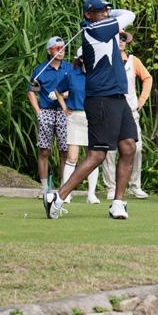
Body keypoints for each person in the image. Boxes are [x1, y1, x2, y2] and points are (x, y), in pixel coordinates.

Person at [45, 0, 137, 220]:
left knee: (128, 147)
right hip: (101, 98)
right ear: (88, 14)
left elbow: (121, 22)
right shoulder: (97, 30)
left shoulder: (100, 27)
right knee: (97, 155)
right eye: (100, 10)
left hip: (117, 97)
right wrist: (111, 15)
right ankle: (58, 198)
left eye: (107, 9)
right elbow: (129, 14)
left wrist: (107, 14)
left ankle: (118, 203)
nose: (105, 13)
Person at [103, 30, 153, 200]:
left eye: (124, 39)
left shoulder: (133, 60)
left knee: (136, 149)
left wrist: (142, 100)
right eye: (118, 38)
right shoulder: (106, 59)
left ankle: (135, 185)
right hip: (110, 110)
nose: (121, 41)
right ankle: (111, 187)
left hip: (130, 111)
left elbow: (147, 78)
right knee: (110, 150)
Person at [27, 36, 72, 199]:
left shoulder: (69, 68)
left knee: (64, 151)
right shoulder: (40, 69)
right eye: (57, 48)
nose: (61, 51)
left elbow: (77, 88)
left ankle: (64, 189)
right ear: (49, 50)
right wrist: (38, 111)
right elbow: (31, 91)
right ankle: (44, 188)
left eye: (63, 48)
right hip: (46, 111)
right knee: (44, 150)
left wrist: (63, 95)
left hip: (64, 111)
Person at [62, 50, 100, 204]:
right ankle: (66, 194)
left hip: (93, 118)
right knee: (72, 157)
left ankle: (91, 194)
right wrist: (64, 107)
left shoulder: (97, 74)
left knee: (93, 156)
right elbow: (58, 90)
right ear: (82, 59)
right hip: (75, 117)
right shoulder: (71, 74)